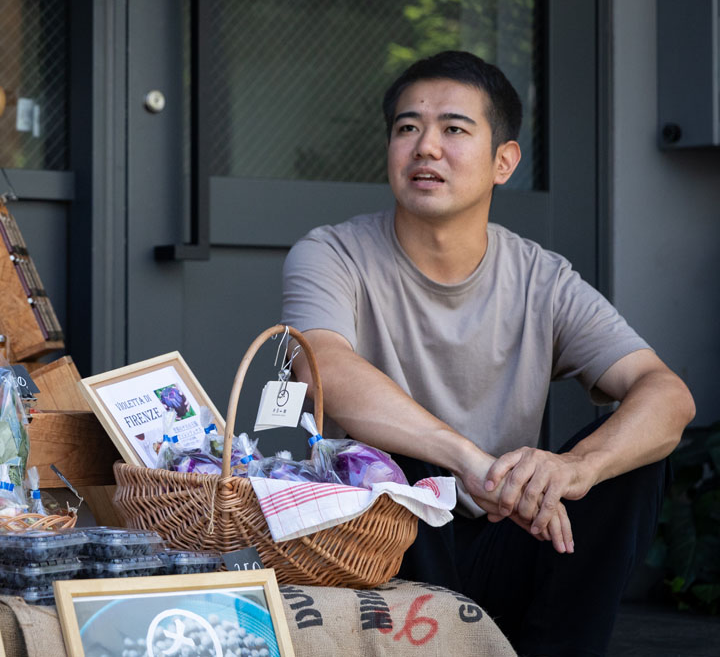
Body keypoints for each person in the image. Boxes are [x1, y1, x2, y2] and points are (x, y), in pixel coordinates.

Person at [281, 50, 695, 655]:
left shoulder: (543, 279)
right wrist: (466, 460)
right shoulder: (331, 254)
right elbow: (322, 368)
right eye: (407, 128)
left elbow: (666, 393)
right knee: (396, 462)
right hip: (392, 545)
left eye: (453, 128)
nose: (425, 147)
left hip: (513, 531)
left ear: (504, 161)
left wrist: (576, 470)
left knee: (629, 461)